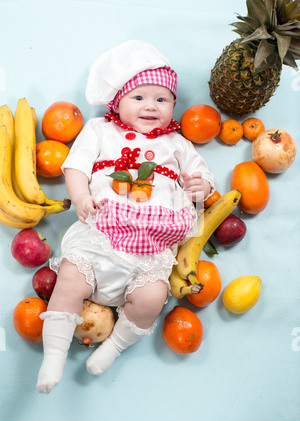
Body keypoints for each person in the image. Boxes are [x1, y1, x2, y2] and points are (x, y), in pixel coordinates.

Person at [36, 40, 214, 394]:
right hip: (101, 235)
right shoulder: (100, 130)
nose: (151, 106)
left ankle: (112, 348)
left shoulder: (178, 144)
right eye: (139, 98)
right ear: (118, 102)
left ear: (174, 106)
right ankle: (53, 355)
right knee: (69, 282)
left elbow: (202, 177)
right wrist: (82, 196)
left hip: (150, 249)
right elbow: (75, 166)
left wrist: (200, 187)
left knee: (151, 299)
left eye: (161, 100)